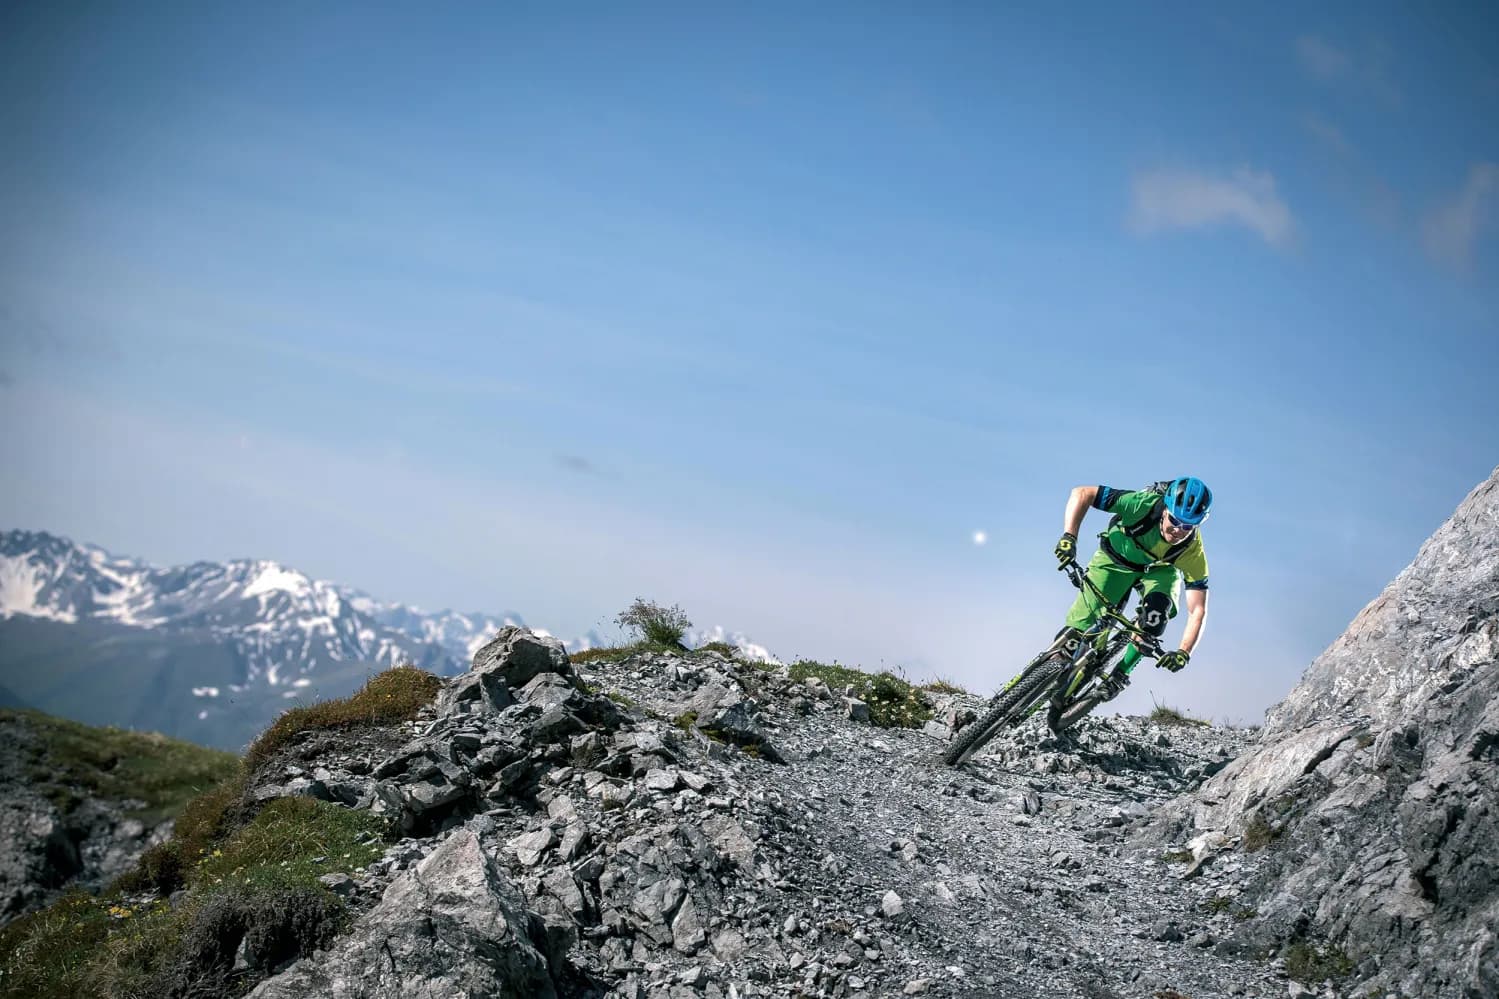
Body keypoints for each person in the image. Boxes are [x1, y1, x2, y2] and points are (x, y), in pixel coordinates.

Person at [1048, 477, 1211, 697]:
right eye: (1175, 520)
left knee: (1155, 618)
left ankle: (1120, 674)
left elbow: (1197, 609)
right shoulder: (1141, 504)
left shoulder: (1193, 551)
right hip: (1115, 559)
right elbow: (1082, 493)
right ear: (1165, 510)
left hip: (1158, 571)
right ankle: (1052, 667)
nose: (1178, 531)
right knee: (1079, 628)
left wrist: (1184, 652)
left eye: (1188, 526)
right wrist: (1069, 537)